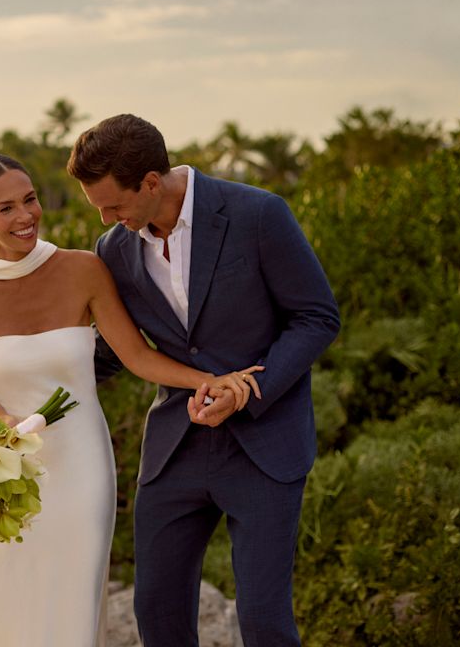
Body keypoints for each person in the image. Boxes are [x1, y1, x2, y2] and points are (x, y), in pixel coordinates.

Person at [0, 153, 263, 647]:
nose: (25, 217)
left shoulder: (84, 269)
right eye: (6, 208)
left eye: (30, 200)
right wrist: (5, 427)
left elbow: (138, 357)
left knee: (75, 605)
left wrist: (209, 378)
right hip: (8, 475)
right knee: (12, 603)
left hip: (82, 467)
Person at [67, 114, 341, 647]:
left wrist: (249, 389)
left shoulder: (259, 214)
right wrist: (33, 395)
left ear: (151, 181)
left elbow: (316, 317)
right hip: (175, 450)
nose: (105, 218)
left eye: (113, 204)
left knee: (263, 621)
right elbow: (117, 353)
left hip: (266, 447)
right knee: (157, 614)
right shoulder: (114, 250)